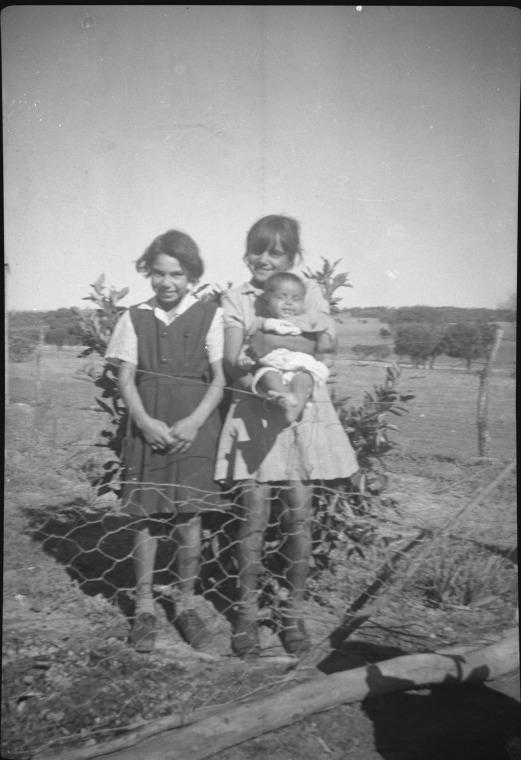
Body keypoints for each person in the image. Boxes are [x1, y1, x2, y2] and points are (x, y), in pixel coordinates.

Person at [215, 214, 359, 660]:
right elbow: (233, 361)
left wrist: (279, 350)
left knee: (299, 516)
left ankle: (292, 613)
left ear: (293, 257)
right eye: (257, 249)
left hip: (303, 414)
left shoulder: (308, 291)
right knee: (253, 516)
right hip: (255, 412)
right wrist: (275, 360)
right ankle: (247, 614)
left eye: (275, 252)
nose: (264, 259)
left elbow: (326, 347)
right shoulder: (237, 297)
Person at [105, 229, 226, 652]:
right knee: (146, 516)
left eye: (176, 274)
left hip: (194, 428)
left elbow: (220, 378)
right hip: (150, 425)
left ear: (191, 275)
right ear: (148, 274)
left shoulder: (210, 314)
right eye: (158, 273)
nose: (167, 282)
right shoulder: (134, 316)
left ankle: (186, 603)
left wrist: (194, 422)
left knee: (189, 516)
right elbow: (124, 377)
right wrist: (143, 421)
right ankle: (143, 608)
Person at [236, 271, 332, 424]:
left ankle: (294, 410)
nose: (288, 303)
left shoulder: (306, 323)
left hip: (301, 366)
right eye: (281, 297)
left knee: (303, 379)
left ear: (303, 304)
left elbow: (321, 344)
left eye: (296, 299)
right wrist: (244, 358)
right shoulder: (261, 322)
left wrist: (324, 355)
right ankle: (285, 397)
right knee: (267, 375)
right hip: (273, 365)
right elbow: (249, 343)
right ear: (268, 302)